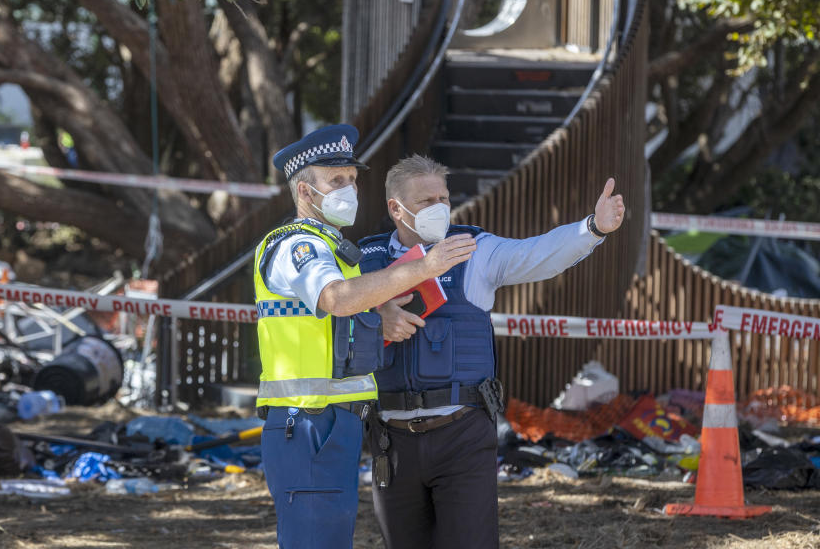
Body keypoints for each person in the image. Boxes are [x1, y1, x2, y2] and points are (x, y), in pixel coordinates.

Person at [358, 154, 626, 549]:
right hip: (390, 440)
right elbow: (329, 319)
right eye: (425, 201)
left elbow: (537, 255)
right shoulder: (365, 261)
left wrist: (593, 228)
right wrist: (374, 318)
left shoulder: (474, 250)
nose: (439, 208)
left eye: (444, 198)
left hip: (461, 435)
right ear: (395, 209)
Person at [255, 126, 478, 549]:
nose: (350, 189)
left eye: (353, 180)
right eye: (336, 181)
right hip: (305, 422)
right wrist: (421, 269)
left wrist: (381, 311)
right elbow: (336, 299)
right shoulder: (299, 246)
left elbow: (339, 312)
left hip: (329, 421)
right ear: (305, 191)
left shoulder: (332, 246)